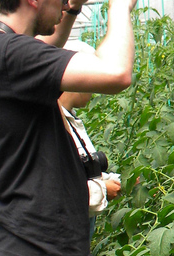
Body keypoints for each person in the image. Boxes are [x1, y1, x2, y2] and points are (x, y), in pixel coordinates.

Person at [0, 0, 142, 256]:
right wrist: (119, 7)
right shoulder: (8, 54)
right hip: (36, 244)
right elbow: (117, 74)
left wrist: (73, 8)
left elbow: (45, 48)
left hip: (27, 238)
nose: (63, 5)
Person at [60, 40, 122, 244]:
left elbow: (80, 170)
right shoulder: (55, 126)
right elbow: (58, 189)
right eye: (91, 78)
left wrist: (117, 180)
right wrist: (102, 189)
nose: (94, 87)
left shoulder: (71, 118)